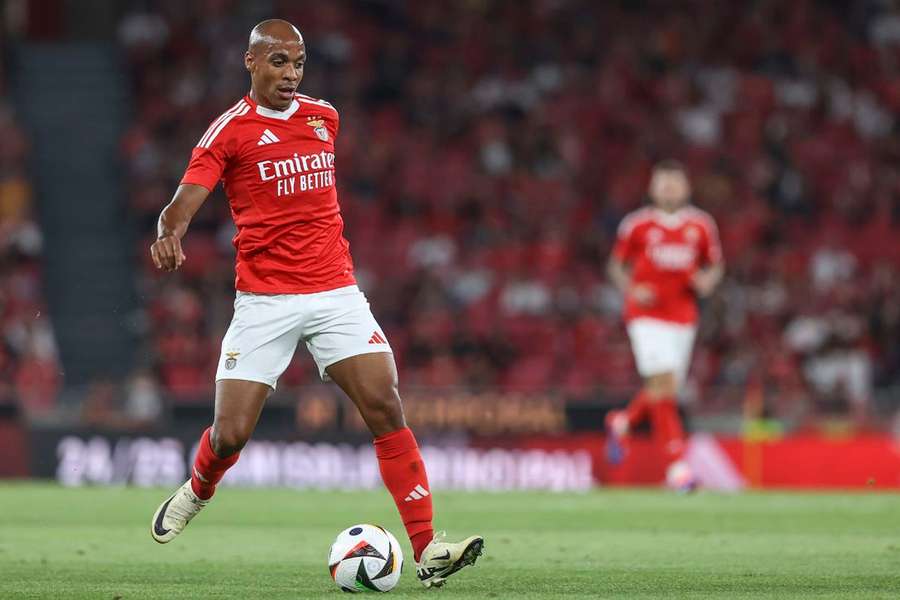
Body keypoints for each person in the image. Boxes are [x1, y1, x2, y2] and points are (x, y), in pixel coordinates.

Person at [148, 19, 482, 588]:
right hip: (264, 300)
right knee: (230, 434)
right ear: (250, 62)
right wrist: (170, 229)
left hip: (334, 292)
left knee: (385, 405)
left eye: (298, 63)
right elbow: (186, 196)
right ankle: (199, 488)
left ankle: (428, 550)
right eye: (278, 62)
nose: (291, 74)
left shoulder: (324, 116)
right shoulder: (229, 130)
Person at [605, 160, 724, 488]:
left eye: (675, 182)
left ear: (686, 187)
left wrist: (707, 282)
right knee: (664, 385)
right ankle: (677, 468)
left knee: (664, 389)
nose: (669, 188)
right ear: (652, 188)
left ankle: (623, 421)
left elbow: (714, 265)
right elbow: (616, 266)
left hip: (683, 316)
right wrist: (632, 288)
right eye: (663, 182)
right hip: (646, 315)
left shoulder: (700, 225)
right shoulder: (637, 225)